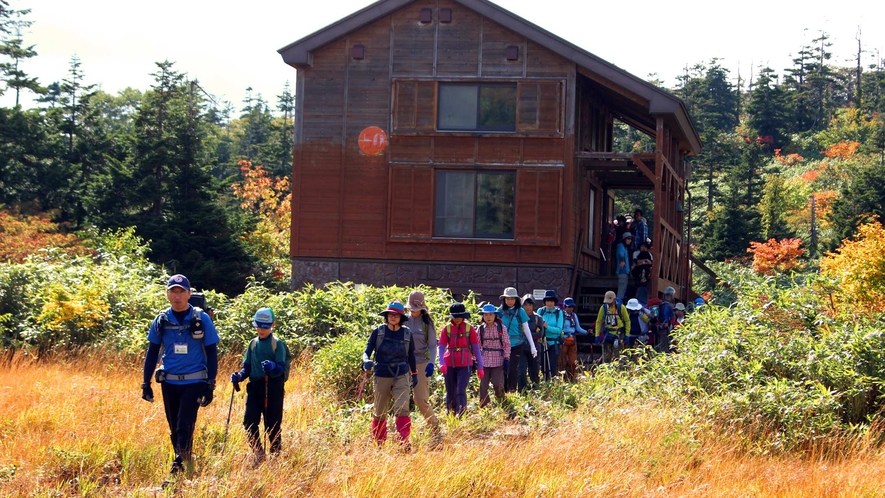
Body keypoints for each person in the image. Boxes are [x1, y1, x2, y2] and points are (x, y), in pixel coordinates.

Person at [141, 274, 219, 480]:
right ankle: (184, 458)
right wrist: (145, 383)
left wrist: (210, 384)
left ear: (189, 294)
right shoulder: (161, 321)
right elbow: (152, 352)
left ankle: (177, 467)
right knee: (174, 426)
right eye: (173, 292)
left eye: (181, 292)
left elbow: (212, 351)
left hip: (195, 381)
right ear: (167, 294)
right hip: (169, 381)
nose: (177, 296)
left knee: (185, 423)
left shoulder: (201, 319)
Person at [229, 307, 287, 466]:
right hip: (255, 387)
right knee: (249, 422)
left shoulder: (277, 344)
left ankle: (275, 458)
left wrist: (273, 367)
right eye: (258, 325)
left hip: (272, 387)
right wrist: (239, 376)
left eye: (265, 326)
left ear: (272, 325)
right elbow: (247, 366)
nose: (261, 329)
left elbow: (281, 367)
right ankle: (259, 453)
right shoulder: (253, 344)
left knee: (272, 424)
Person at [362, 301, 417, 449]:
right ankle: (379, 444)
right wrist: (366, 360)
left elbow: (411, 355)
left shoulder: (406, 333)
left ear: (401, 317)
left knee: (402, 408)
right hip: (382, 374)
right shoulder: (378, 332)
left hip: (402, 374)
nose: (393, 317)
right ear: (386, 316)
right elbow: (367, 350)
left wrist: (415, 374)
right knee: (380, 411)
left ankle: (403, 443)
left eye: (396, 315)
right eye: (390, 315)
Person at [404, 291, 441, 442]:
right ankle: (403, 433)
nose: (413, 310)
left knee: (420, 399)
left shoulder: (427, 324)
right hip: (405, 362)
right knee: (401, 397)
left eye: (416, 307)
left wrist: (431, 363)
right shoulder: (403, 321)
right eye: (411, 307)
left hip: (421, 363)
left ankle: (434, 426)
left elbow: (433, 346)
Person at [438, 302, 483, 416]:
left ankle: (461, 414)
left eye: (459, 316)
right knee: (450, 390)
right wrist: (441, 362)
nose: (457, 319)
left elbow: (476, 348)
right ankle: (450, 414)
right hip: (449, 363)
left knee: (460, 390)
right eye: (455, 316)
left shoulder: (469, 328)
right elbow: (442, 346)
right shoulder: (446, 329)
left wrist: (480, 367)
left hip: (465, 363)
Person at [497, 287, 537, 393]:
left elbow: (526, 329)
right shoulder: (499, 311)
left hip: (517, 345)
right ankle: (503, 391)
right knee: (503, 369)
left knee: (513, 368)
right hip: (502, 345)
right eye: (507, 299)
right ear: (504, 300)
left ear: (516, 300)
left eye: (512, 299)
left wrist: (533, 346)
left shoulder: (520, 311)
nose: (510, 301)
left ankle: (512, 390)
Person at [477, 304, 510, 408]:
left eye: (490, 314)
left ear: (495, 315)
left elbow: (506, 344)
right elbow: (477, 345)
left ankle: (501, 402)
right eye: (486, 315)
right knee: (483, 385)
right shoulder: (480, 329)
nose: (488, 317)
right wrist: (475, 360)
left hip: (498, 360)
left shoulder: (501, 328)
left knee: (497, 383)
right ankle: (484, 405)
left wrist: (506, 358)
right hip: (484, 360)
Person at [518, 294, 545, 391]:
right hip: (521, 348)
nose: (527, 307)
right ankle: (522, 391)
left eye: (530, 305)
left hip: (535, 349)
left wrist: (526, 334)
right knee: (521, 370)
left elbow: (540, 333)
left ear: (533, 306)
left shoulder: (538, 318)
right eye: (525, 305)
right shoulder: (518, 318)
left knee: (534, 370)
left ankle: (535, 390)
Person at [594, 291, 630, 363]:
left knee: (617, 357)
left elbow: (627, 321)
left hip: (619, 334)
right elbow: (598, 321)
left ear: (614, 299)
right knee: (606, 357)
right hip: (608, 333)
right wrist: (597, 335)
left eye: (610, 301)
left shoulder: (621, 308)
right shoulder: (603, 308)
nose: (609, 303)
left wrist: (627, 334)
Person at [559, 297, 588, 381]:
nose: (570, 308)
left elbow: (578, 328)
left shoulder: (574, 316)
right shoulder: (561, 315)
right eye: (569, 307)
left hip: (572, 340)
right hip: (563, 340)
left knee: (573, 362)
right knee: (562, 361)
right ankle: (561, 379)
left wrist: (586, 332)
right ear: (564, 306)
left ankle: (572, 378)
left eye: (572, 307)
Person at [537, 290, 564, 380]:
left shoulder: (559, 313)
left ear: (554, 302)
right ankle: (544, 384)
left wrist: (547, 327)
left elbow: (559, 330)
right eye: (548, 301)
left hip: (554, 343)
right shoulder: (540, 311)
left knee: (552, 366)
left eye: (552, 301)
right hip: (542, 343)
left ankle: (552, 385)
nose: (549, 303)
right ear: (545, 302)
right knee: (543, 366)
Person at [656, 287, 676, 353]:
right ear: (671, 295)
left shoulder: (661, 304)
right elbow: (672, 317)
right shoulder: (669, 305)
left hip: (659, 327)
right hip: (666, 329)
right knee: (665, 348)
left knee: (660, 345)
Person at [616, 232, 633, 300]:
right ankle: (618, 305)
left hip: (625, 272)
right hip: (622, 271)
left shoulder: (625, 248)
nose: (630, 240)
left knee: (623, 290)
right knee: (621, 291)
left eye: (631, 239)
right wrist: (622, 261)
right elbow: (621, 254)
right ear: (624, 239)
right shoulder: (621, 246)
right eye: (628, 238)